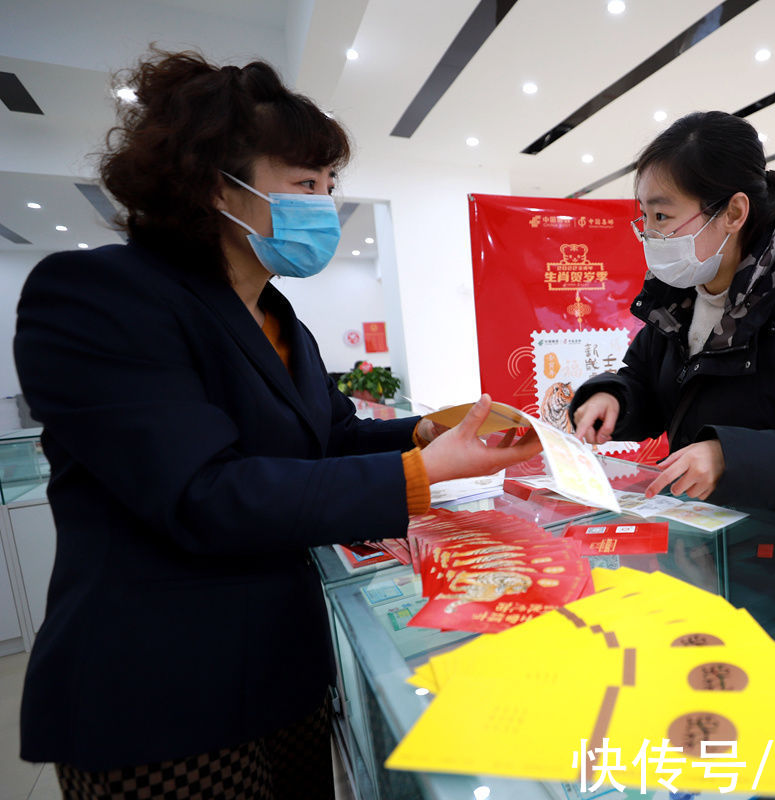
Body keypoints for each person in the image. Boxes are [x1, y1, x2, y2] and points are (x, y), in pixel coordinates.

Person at [14, 51, 540, 798]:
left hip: (282, 672)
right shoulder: (99, 295)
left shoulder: (276, 315)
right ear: (209, 187)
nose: (323, 205)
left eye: (329, 187)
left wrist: (427, 435)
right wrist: (421, 474)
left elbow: (327, 440)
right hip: (161, 696)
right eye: (303, 185)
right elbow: (201, 491)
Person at [568, 111, 775, 514]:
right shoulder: (678, 305)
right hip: (700, 543)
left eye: (662, 217)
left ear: (733, 213)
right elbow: (650, 384)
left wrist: (732, 458)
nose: (649, 235)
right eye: (644, 217)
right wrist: (614, 397)